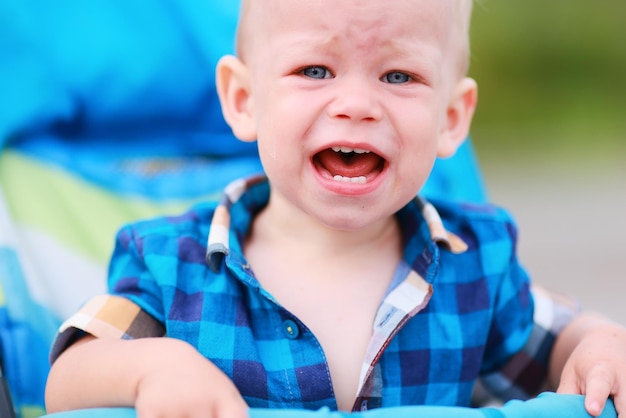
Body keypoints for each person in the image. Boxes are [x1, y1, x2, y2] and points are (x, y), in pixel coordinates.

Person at [45, 1, 626, 417]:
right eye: (314, 71)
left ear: (452, 117)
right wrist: (155, 368)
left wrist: (599, 345)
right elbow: (68, 377)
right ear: (244, 100)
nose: (356, 104)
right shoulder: (176, 264)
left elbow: (559, 341)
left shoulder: (477, 264)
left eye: (400, 75)